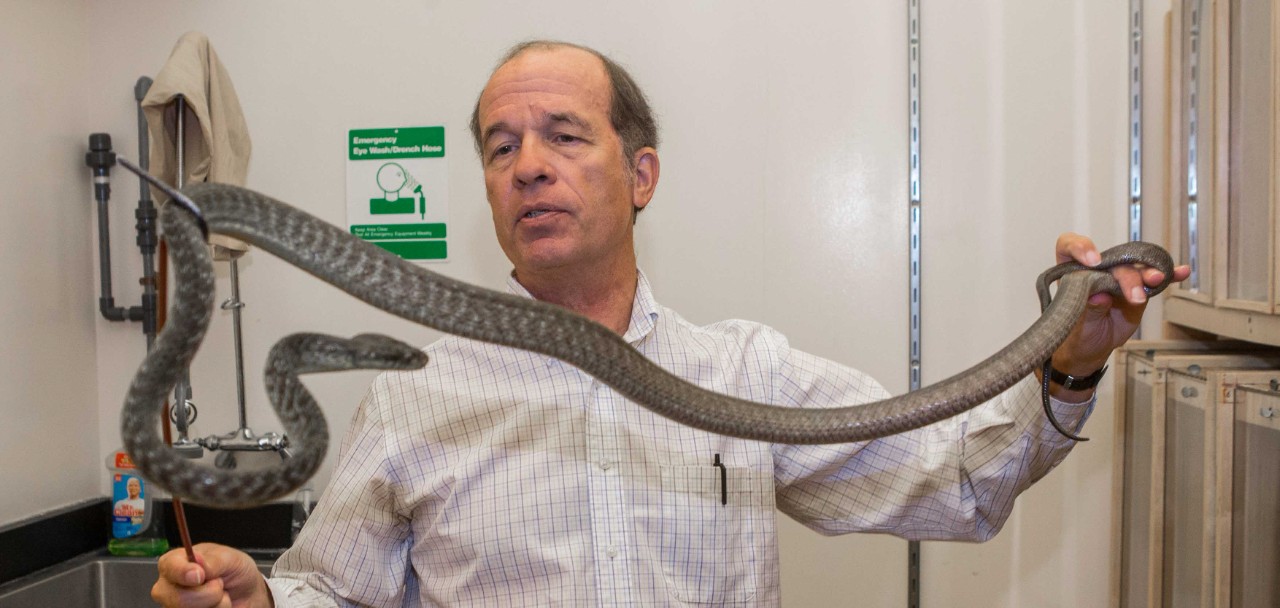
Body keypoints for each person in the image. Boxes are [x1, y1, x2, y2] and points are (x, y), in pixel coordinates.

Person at [152, 40, 1189, 607]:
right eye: (501, 145)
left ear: (639, 173)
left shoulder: (738, 373)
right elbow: (333, 590)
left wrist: (1066, 362)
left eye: (564, 134)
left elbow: (956, 479)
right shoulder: (418, 390)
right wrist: (259, 601)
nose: (527, 164)